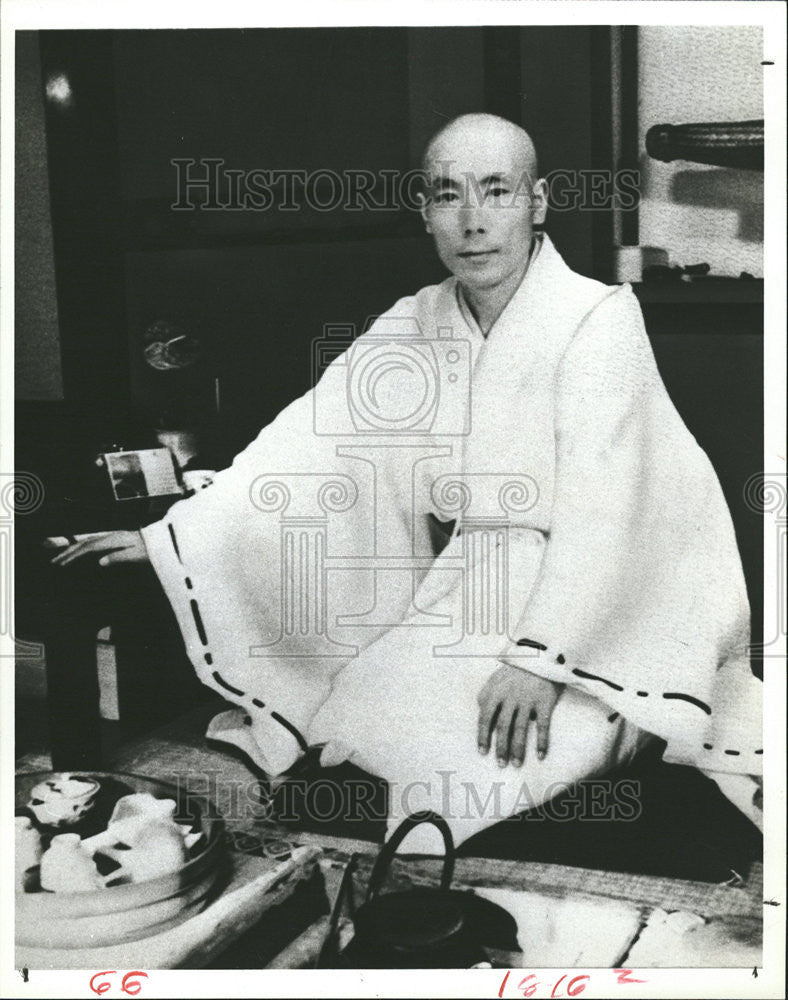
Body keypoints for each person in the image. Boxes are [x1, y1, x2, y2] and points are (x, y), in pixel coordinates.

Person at [53, 114, 762, 850]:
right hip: (464, 591)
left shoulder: (598, 318)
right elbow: (309, 446)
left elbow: (615, 510)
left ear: (539, 202)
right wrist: (167, 540)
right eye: (447, 194)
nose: (473, 220)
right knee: (353, 745)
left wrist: (539, 662)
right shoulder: (416, 322)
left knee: (467, 781)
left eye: (497, 190)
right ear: (425, 211)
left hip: (600, 628)